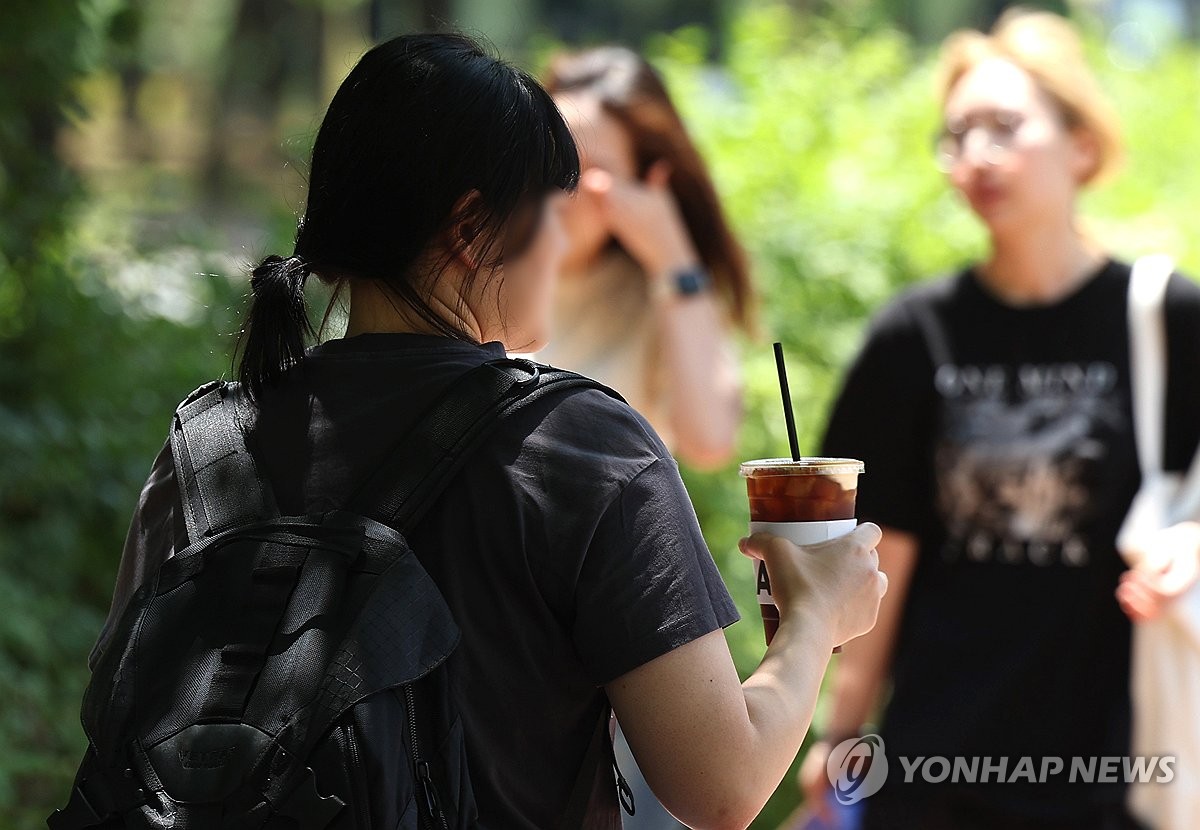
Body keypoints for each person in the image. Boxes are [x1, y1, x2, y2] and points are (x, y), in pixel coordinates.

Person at [91, 33, 887, 829]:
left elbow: (123, 716)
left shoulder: (204, 446)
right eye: (555, 214)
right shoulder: (581, 446)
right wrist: (816, 617)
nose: (564, 244)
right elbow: (722, 785)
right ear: (473, 231)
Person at [803, 9, 1200, 830]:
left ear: (1081, 145)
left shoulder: (1165, 318)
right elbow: (887, 553)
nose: (975, 156)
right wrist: (839, 737)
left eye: (1004, 128)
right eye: (956, 136)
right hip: (935, 764)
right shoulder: (914, 334)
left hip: (1120, 768)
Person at [538, 46, 753, 471]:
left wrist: (672, 254)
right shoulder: (469, 265)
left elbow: (710, 440)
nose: (561, 190)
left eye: (592, 171)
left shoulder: (658, 297)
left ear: (643, 185)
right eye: (551, 155)